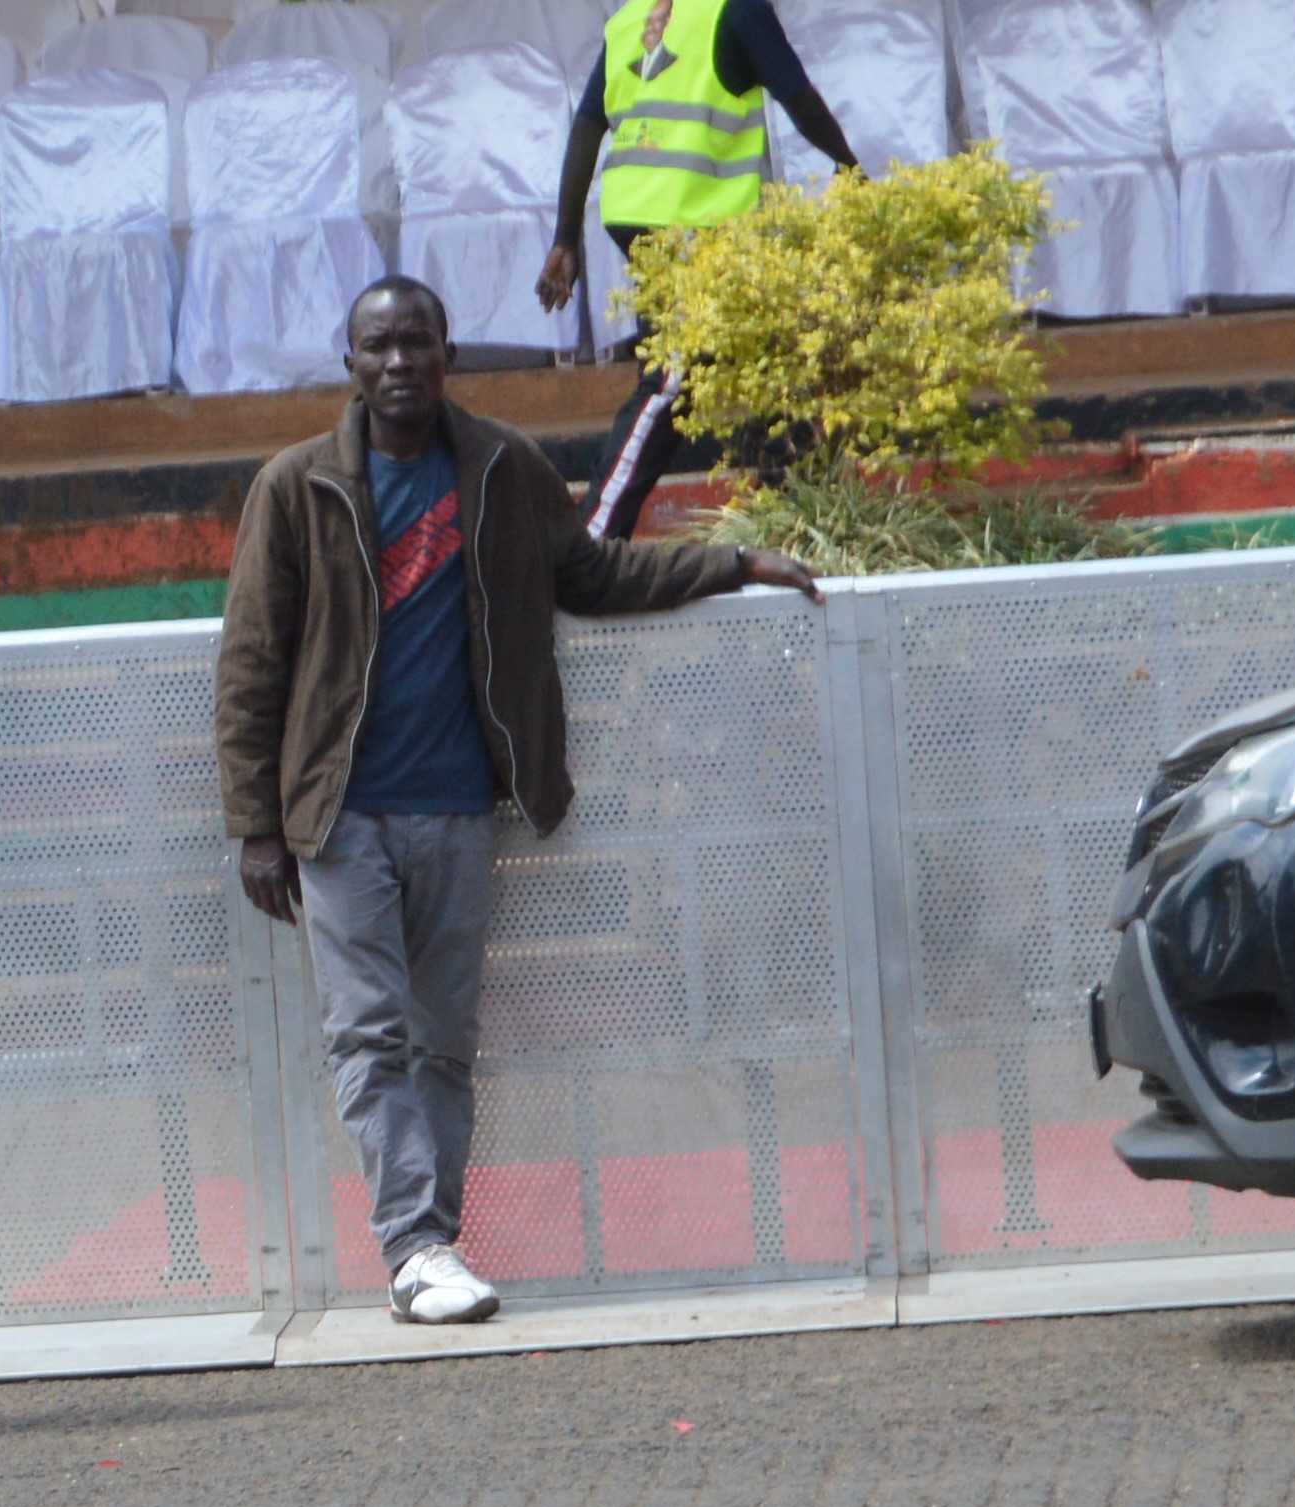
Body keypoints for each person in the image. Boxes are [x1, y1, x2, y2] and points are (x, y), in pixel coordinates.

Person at [217, 278, 823, 1326]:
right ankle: (414, 1245)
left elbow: (590, 574)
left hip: (457, 804)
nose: (399, 361)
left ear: (449, 352)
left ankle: (429, 1252)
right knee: (368, 1033)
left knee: (444, 1039)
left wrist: (733, 565)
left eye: (417, 342)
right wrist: (255, 824)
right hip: (338, 813)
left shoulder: (500, 465)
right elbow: (252, 662)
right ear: (350, 363)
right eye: (378, 346)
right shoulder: (296, 485)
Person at [534, 0, 861, 540]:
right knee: (670, 381)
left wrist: (566, 236)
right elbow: (797, 95)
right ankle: (590, 537)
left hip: (643, 214)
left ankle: (799, 509)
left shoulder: (630, 18)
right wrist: (848, 165)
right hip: (691, 220)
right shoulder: (735, 11)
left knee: (774, 358)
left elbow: (588, 124)